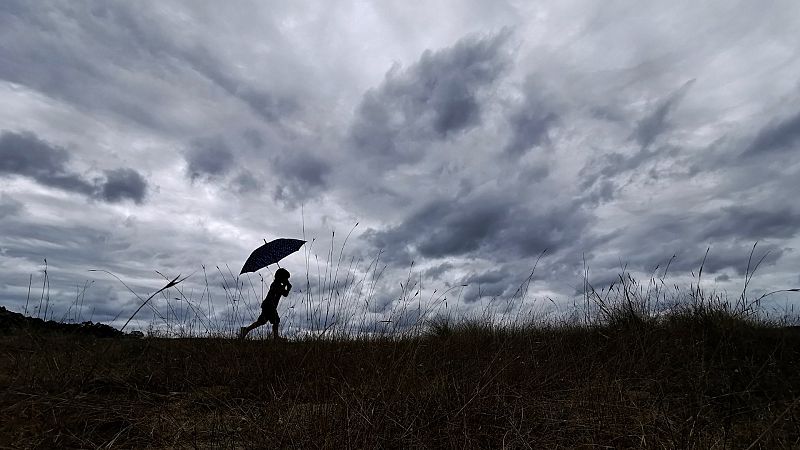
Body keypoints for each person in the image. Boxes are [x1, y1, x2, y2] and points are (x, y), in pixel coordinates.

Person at [239, 268, 292, 340]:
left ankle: (246, 330)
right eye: (286, 278)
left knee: (261, 321)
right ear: (281, 277)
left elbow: (284, 293)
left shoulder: (277, 284)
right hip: (269, 306)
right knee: (276, 320)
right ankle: (276, 337)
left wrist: (286, 286)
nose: (287, 280)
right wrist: (287, 288)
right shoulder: (276, 285)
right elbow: (285, 293)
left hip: (268, 305)